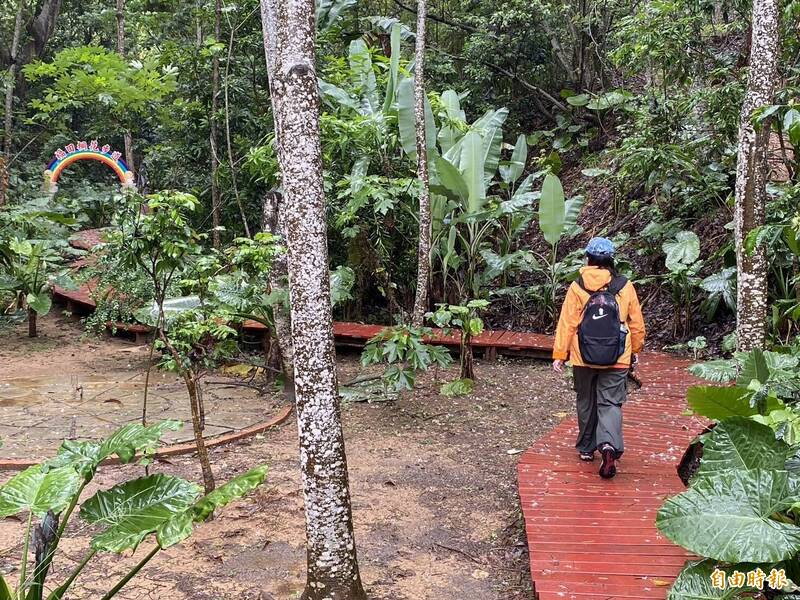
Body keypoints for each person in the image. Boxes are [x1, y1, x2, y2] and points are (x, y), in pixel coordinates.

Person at [552, 237, 645, 479]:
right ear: (612, 259)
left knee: (585, 400)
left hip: (583, 356)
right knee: (610, 403)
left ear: (588, 259)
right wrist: (635, 350)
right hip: (617, 356)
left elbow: (567, 323)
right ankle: (608, 446)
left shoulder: (577, 286)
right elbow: (636, 324)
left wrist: (560, 354)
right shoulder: (625, 286)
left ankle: (586, 448)